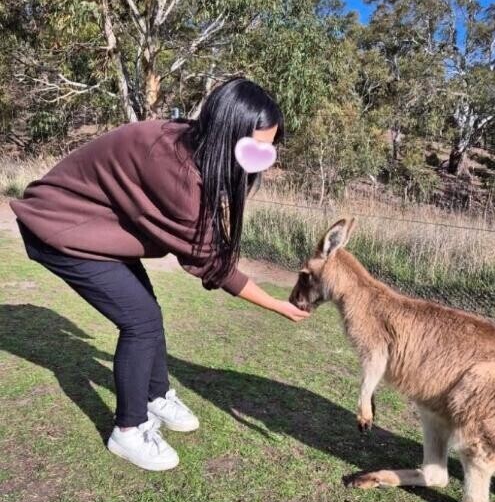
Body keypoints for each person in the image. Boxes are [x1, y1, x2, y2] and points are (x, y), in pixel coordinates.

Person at [10, 78, 309, 471]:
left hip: (99, 230)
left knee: (147, 314)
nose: (264, 157)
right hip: (59, 228)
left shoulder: (188, 139)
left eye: (269, 147)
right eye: (257, 147)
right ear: (226, 133)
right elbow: (210, 263)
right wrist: (276, 305)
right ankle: (129, 430)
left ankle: (156, 394)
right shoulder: (181, 178)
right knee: (141, 322)